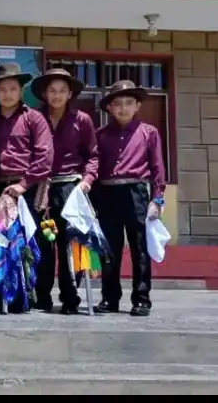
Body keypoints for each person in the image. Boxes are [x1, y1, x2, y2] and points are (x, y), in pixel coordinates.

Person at [0, 62, 54, 313]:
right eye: (2, 89)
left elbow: (44, 157)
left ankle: (38, 295)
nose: (7, 94)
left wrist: (23, 185)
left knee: (32, 242)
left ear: (21, 91)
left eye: (12, 88)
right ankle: (0, 294)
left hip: (26, 187)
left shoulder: (34, 119)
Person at [92, 80, 166, 317]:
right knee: (109, 250)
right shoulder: (100, 135)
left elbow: (157, 169)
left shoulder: (149, 133)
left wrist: (158, 199)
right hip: (107, 194)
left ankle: (142, 298)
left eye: (128, 103)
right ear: (109, 108)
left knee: (140, 249)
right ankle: (109, 298)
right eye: (117, 104)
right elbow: (94, 167)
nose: (123, 108)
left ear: (137, 106)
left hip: (136, 194)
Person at [29, 68, 98, 314]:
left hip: (71, 187)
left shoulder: (82, 120)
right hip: (44, 188)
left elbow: (92, 156)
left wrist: (87, 180)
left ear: (70, 93)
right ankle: (43, 297)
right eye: (52, 91)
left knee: (71, 245)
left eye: (61, 91)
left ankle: (71, 298)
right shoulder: (35, 119)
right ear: (45, 94)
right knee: (45, 243)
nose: (56, 96)